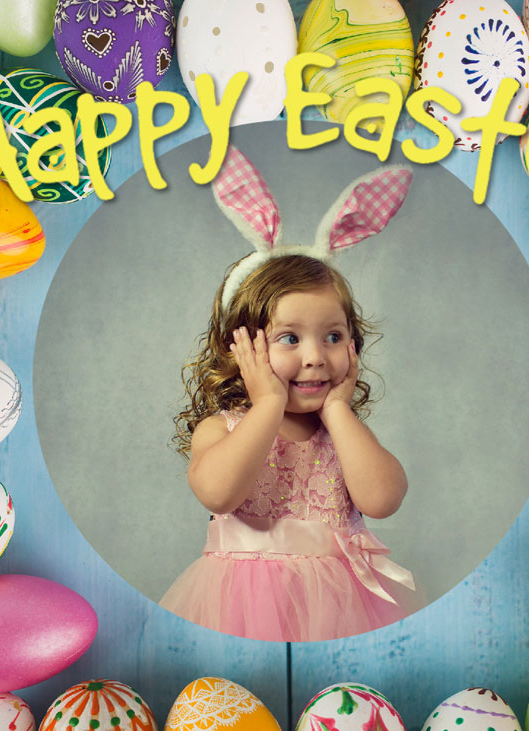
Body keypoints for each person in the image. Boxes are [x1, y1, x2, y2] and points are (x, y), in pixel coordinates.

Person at [158, 147, 425, 642]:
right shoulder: (223, 429)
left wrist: (341, 412)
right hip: (238, 607)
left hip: (341, 606)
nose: (315, 357)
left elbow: (384, 500)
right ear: (238, 346)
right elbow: (218, 492)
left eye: (333, 336)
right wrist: (267, 406)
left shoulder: (341, 434)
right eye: (288, 338)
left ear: (354, 342)